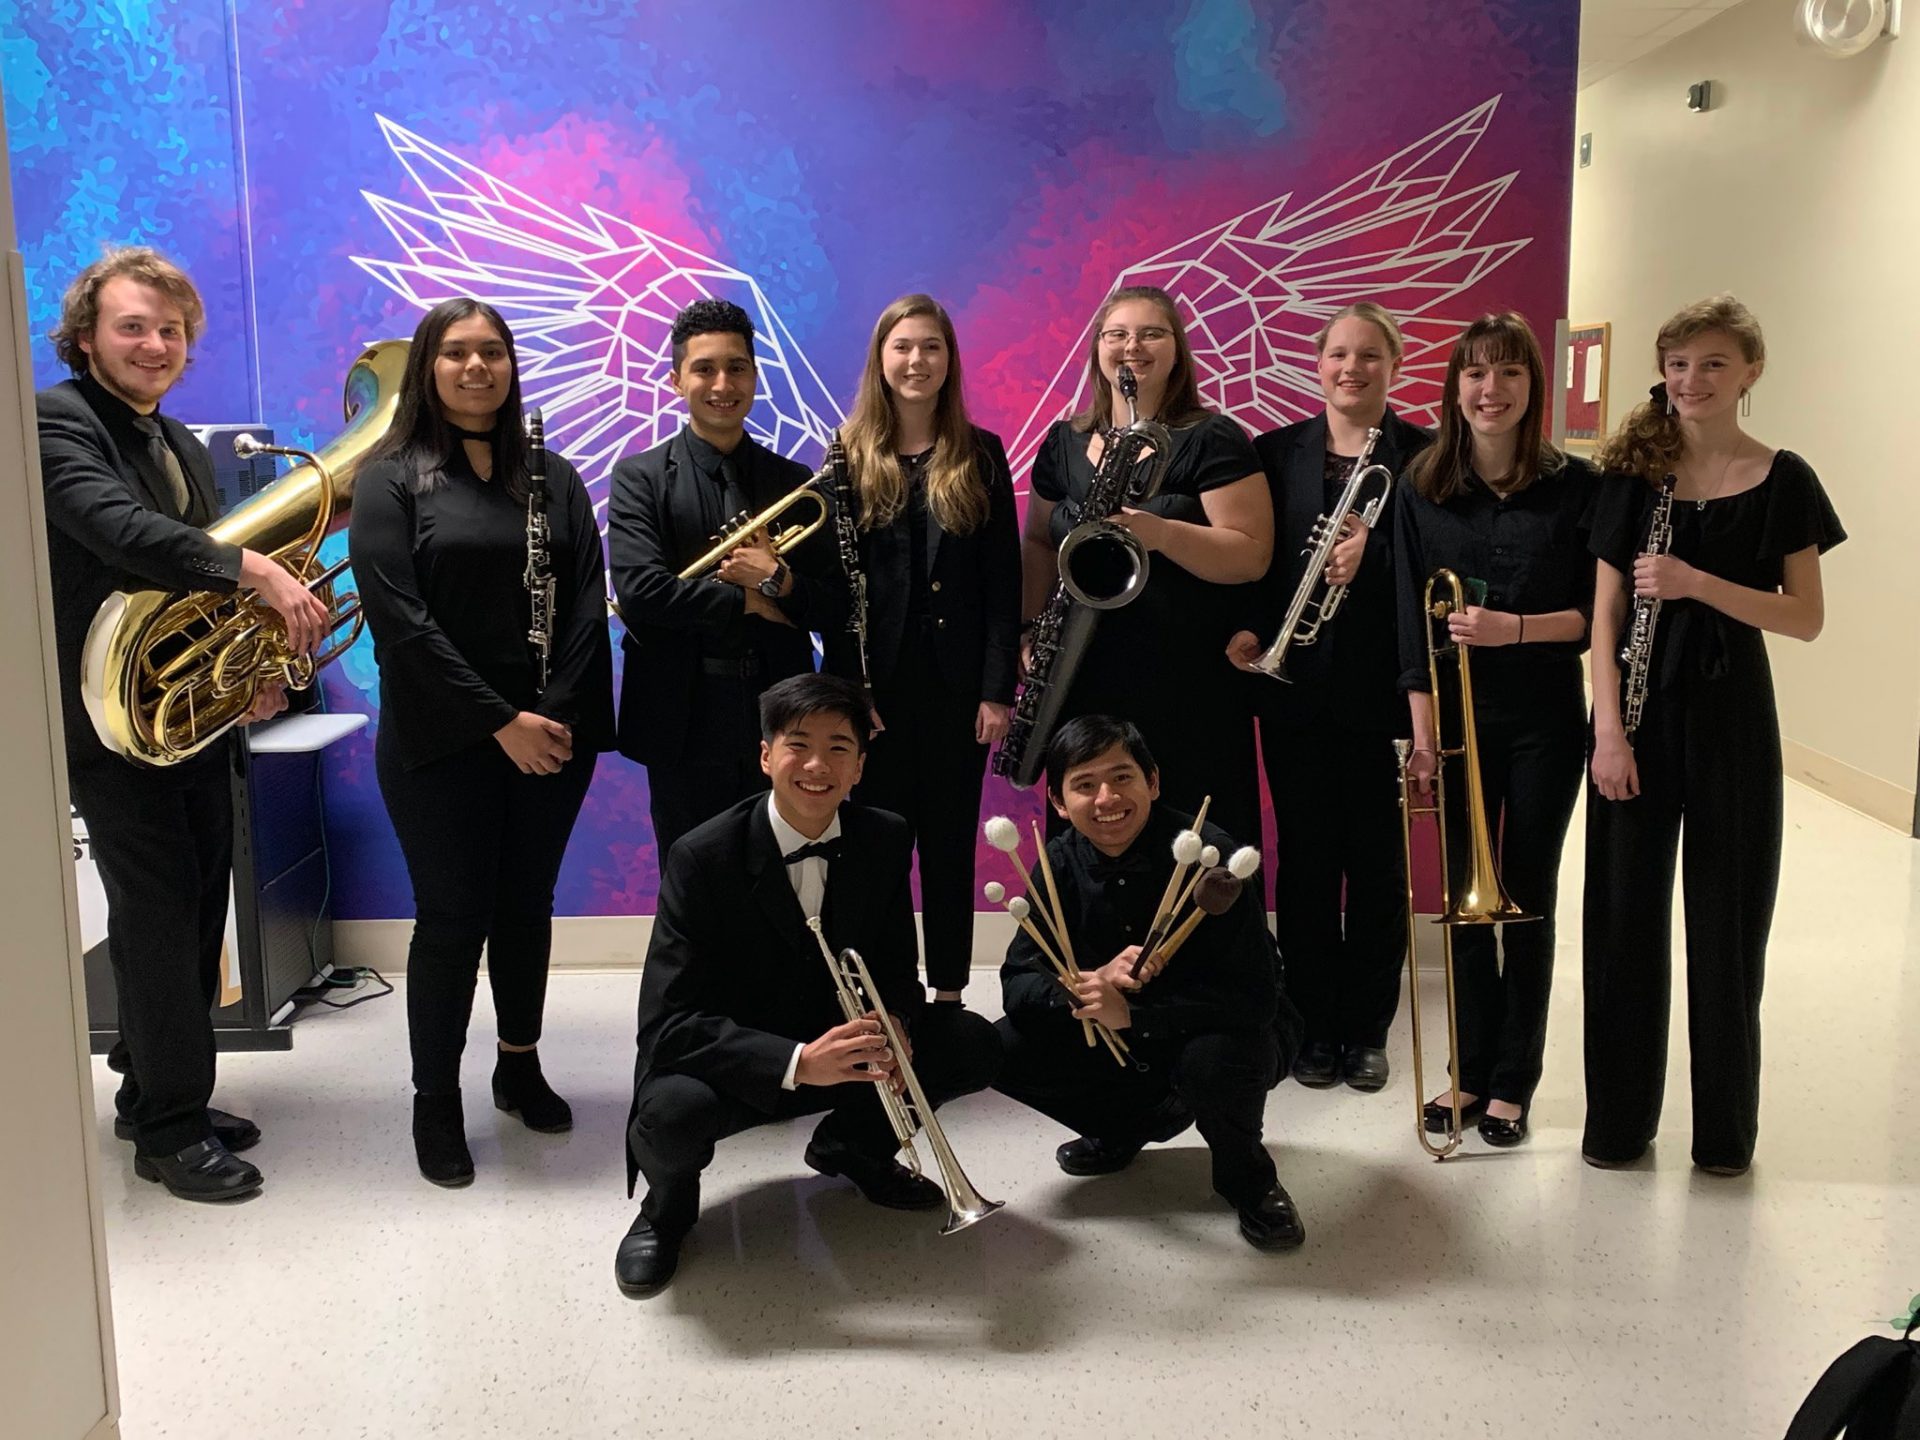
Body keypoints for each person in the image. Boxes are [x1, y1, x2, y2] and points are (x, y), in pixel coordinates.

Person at [39, 246, 322, 1200]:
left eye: (171, 331)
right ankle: (169, 1132)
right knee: (160, 915)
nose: (156, 344)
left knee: (200, 904)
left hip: (181, 716)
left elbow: (196, 592)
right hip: (107, 723)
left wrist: (254, 674)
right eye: (133, 327)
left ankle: (153, 1090)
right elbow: (117, 529)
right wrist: (256, 570)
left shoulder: (181, 443)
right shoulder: (53, 421)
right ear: (85, 338)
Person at [615, 673, 1003, 1296]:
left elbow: (896, 968)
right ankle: (667, 1211)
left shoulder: (884, 835)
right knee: (672, 1112)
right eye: (798, 745)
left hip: (841, 1048)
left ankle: (852, 1148)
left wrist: (897, 1021)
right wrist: (797, 1061)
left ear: (859, 768)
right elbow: (666, 1025)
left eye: (839, 748)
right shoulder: (702, 855)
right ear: (766, 755)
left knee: (971, 1042)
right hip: (746, 1056)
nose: (817, 765)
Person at [351, 297, 614, 1186]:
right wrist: (498, 722)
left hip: (547, 740)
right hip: (443, 742)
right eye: (456, 352)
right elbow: (400, 624)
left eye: (491, 352)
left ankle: (519, 1063)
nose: (476, 367)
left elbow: (586, 606)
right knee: (453, 919)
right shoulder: (389, 479)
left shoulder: (554, 475)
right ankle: (434, 1101)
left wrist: (555, 717)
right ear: (429, 366)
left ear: (510, 366)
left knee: (525, 908)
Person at [1583, 295, 1843, 1176]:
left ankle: (1725, 1137)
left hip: (1733, 721)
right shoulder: (1632, 473)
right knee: (1624, 926)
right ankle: (1618, 1129)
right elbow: (1604, 617)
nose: (1691, 380)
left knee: (1729, 932)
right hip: (1637, 719)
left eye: (1713, 364)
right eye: (1679, 363)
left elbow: (1804, 618)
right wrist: (1607, 732)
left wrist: (1698, 580)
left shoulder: (1785, 478)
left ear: (1750, 373)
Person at [1392, 313, 1597, 1149]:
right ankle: (1469, 1071)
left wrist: (1511, 629)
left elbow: (1595, 619)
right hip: (1457, 723)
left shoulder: (1577, 487)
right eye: (1475, 374)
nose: (1490, 390)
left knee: (1528, 899)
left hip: (1545, 717)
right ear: (1455, 387)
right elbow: (1411, 625)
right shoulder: (1422, 485)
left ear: (1532, 387)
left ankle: (1517, 1079)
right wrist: (1424, 743)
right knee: (1467, 909)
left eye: (1509, 373)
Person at [992, 715, 1307, 1252]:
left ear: (1154, 782)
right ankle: (1127, 1124)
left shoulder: (1210, 856)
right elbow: (1019, 982)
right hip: (1125, 1042)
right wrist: (1086, 985)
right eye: (1085, 785)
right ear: (1061, 802)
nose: (1106, 798)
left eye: (1122, 778)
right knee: (1000, 1046)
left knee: (1215, 1062)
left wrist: (1136, 1015)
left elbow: (1255, 1000)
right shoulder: (1057, 862)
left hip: (1213, 1028)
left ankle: (1246, 1176)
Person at [1227, 301, 1431, 1094]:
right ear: (1318, 365)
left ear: (1394, 366)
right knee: (1306, 865)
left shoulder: (1427, 456)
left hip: (1383, 690)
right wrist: (1248, 631)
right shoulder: (1274, 452)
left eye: (1370, 356)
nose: (1352, 368)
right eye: (1339, 354)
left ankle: (1368, 1028)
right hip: (1295, 691)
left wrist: (1374, 554)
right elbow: (1258, 559)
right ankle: (1311, 1024)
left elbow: (1435, 569)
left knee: (1379, 870)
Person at [1020, 285, 1272, 843]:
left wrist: (1161, 533)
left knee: (1199, 841)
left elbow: (1252, 555)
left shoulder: (1212, 437)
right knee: (1087, 845)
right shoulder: (1063, 441)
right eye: (1118, 334)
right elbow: (1039, 541)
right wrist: (1030, 629)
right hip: (1082, 671)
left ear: (1176, 350)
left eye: (1151, 333)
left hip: (1187, 677)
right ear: (1097, 350)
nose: (1132, 346)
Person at [822, 294, 1020, 1001]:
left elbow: (1003, 583)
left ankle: (948, 996)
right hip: (873, 696)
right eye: (903, 346)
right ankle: (889, 994)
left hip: (958, 691)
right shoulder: (844, 456)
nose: (917, 360)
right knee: (877, 848)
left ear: (949, 360)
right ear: (881, 359)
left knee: (947, 846)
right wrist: (851, 697)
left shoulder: (981, 451)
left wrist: (998, 689)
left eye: (931, 347)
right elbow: (835, 593)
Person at [607, 298, 842, 859]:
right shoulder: (640, 478)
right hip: (681, 714)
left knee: (776, 870)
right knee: (690, 876)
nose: (722, 382)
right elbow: (641, 593)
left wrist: (779, 581)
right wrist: (752, 600)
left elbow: (832, 604)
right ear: (675, 379)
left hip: (779, 711)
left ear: (755, 376)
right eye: (704, 368)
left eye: (737, 367)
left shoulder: (794, 482)